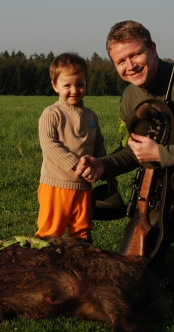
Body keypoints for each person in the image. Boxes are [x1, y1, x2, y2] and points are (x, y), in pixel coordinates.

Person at [75, 21, 174, 289]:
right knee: (132, 265)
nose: (130, 65)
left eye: (135, 54)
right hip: (160, 191)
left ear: (152, 49)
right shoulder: (130, 95)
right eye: (120, 61)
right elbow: (136, 151)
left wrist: (162, 154)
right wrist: (102, 165)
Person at [36, 53, 116, 243]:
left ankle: (79, 268)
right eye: (67, 85)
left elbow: (98, 147)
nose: (74, 90)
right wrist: (75, 164)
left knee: (82, 232)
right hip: (56, 185)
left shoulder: (91, 116)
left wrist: (108, 173)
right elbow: (49, 143)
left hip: (83, 187)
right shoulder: (51, 114)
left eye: (80, 84)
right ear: (55, 86)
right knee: (50, 232)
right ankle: (46, 269)